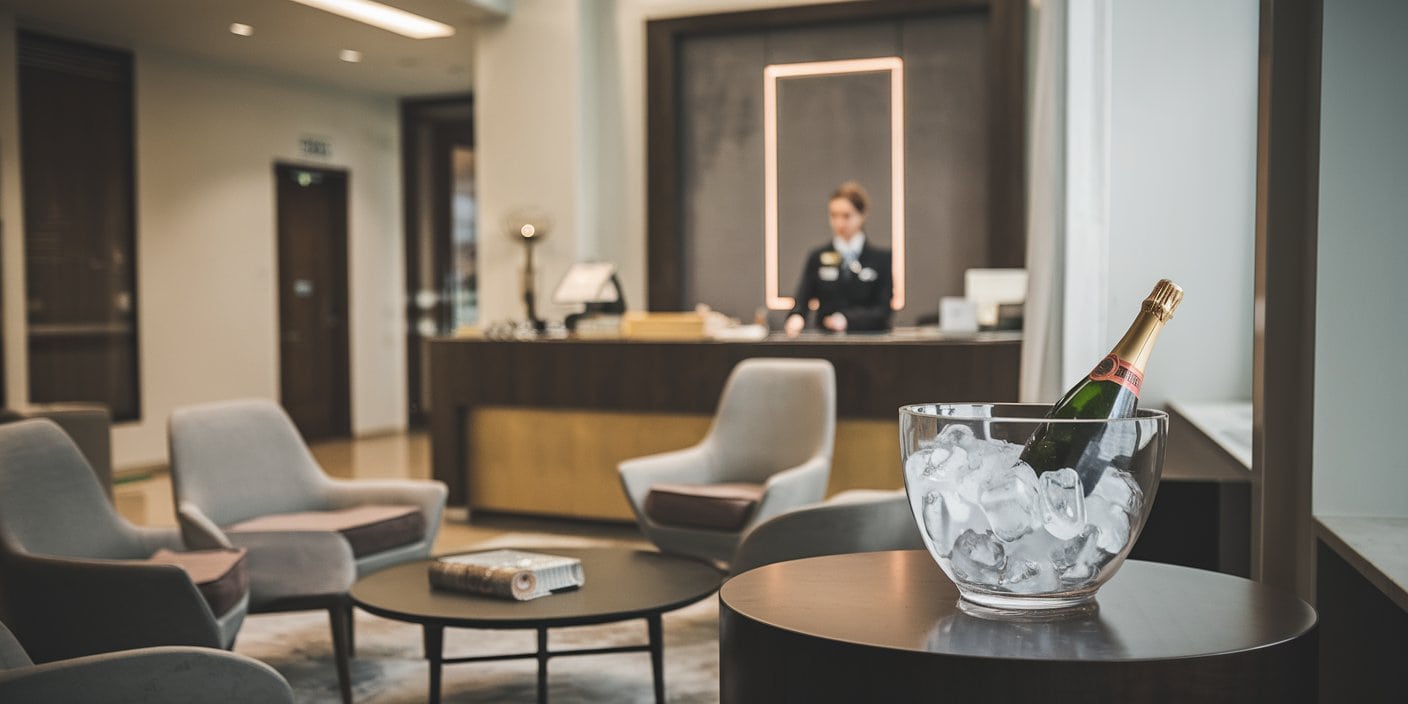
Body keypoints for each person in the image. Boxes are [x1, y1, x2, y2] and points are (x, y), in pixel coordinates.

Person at [783, 181, 894, 337]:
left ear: (862, 215)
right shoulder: (818, 257)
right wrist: (796, 317)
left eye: (846, 216)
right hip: (827, 342)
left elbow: (883, 311)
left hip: (870, 343)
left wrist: (846, 319)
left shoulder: (881, 260)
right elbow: (802, 299)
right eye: (834, 215)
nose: (839, 223)